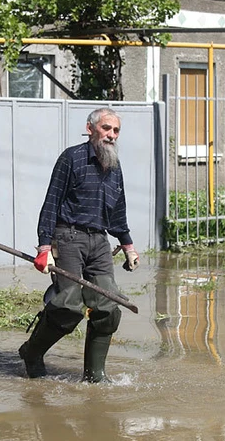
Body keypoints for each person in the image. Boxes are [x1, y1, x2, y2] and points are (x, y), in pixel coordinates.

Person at [18, 107, 139, 383]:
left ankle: (94, 376)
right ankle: (32, 353)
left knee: (108, 307)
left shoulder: (114, 166)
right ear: (90, 128)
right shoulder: (71, 158)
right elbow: (51, 202)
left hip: (99, 241)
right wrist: (44, 247)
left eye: (116, 130)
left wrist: (128, 245)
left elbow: (118, 210)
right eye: (106, 128)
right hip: (68, 237)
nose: (111, 135)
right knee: (69, 307)